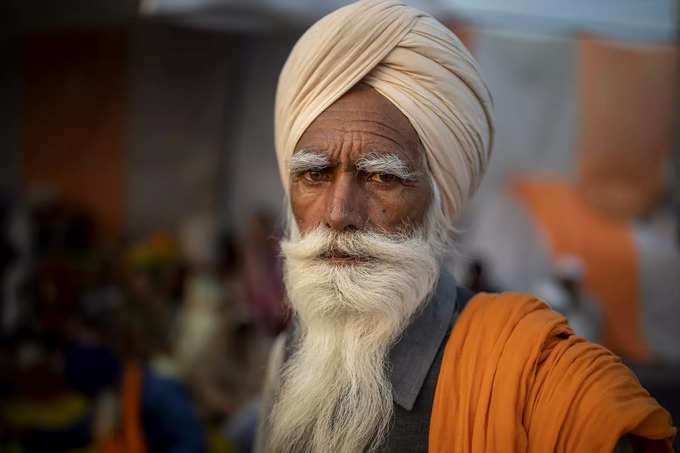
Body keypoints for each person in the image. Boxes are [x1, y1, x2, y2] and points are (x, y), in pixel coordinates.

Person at [254, 1, 676, 452]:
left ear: (438, 199)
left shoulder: (535, 381)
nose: (338, 213)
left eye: (382, 177)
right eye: (314, 175)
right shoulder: (290, 354)